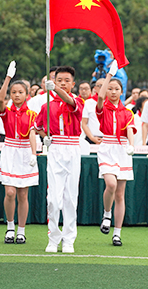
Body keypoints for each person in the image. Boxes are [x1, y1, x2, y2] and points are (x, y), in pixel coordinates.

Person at [34, 66, 85, 254]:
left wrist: (55, 89)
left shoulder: (78, 101)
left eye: (66, 81)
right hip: (55, 149)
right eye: (59, 80)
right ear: (54, 81)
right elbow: (37, 126)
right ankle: (53, 238)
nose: (63, 83)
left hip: (72, 149)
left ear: (73, 84)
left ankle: (69, 240)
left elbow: (69, 101)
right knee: (53, 200)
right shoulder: (46, 106)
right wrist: (45, 137)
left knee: (70, 198)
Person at [0, 61, 39, 245]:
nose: (16, 95)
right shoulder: (6, 112)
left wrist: (33, 153)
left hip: (25, 152)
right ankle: (10, 226)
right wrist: (8, 77)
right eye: (13, 92)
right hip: (10, 150)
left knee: (23, 194)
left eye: (20, 92)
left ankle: (21, 230)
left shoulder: (32, 115)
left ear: (26, 94)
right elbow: (0, 100)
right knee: (10, 192)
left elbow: (32, 134)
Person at [95, 61, 135, 247]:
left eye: (116, 89)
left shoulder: (127, 112)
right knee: (110, 184)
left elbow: (130, 130)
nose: (112, 92)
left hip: (122, 149)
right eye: (110, 89)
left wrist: (131, 145)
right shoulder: (102, 109)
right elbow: (100, 96)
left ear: (121, 91)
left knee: (120, 194)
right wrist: (109, 76)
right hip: (107, 147)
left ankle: (117, 233)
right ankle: (106, 214)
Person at [82, 78, 104, 144]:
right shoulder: (88, 102)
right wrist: (92, 138)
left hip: (107, 139)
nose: (102, 88)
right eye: (100, 86)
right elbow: (84, 123)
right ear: (95, 88)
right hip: (91, 138)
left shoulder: (111, 103)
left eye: (104, 86)